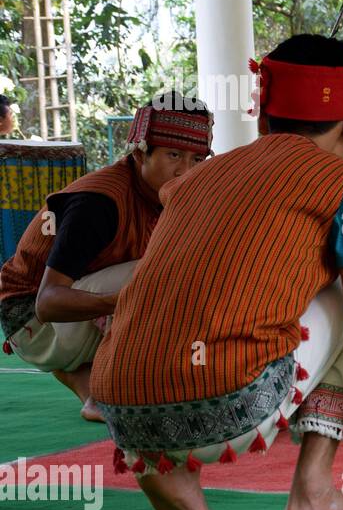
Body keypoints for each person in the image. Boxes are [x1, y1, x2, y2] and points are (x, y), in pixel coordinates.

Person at [89, 34, 343, 510]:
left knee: (177, 308)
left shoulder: (195, 180)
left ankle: (173, 482)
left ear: (264, 116)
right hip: (227, 406)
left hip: (121, 409)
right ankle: (314, 498)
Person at [0, 93, 212, 420]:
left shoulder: (171, 195)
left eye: (198, 160)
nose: (185, 171)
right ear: (140, 153)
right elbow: (48, 302)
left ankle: (97, 393)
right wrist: (126, 301)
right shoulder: (99, 203)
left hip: (70, 323)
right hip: (31, 320)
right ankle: (119, 383)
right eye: (173, 155)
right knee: (164, 272)